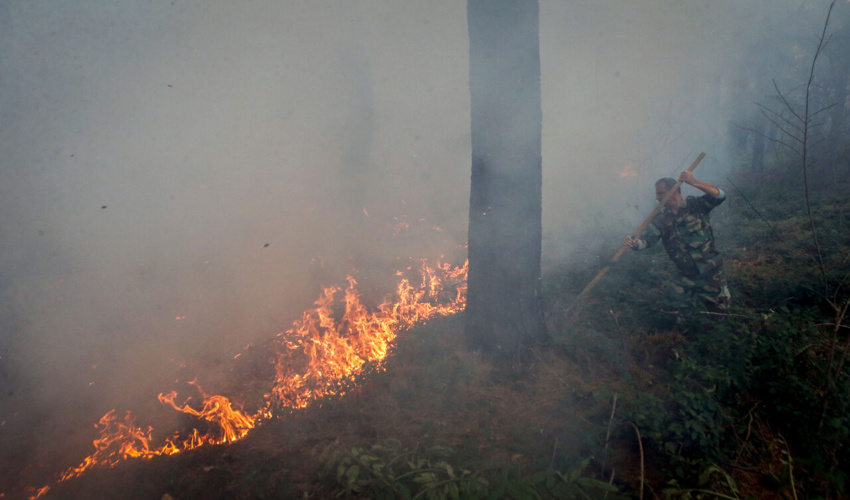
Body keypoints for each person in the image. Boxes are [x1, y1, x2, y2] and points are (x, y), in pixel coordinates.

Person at [623, 171, 731, 314]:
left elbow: (720, 195)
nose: (657, 197)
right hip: (685, 275)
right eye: (657, 194)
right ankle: (675, 333)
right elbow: (648, 240)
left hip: (711, 272)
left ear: (674, 191)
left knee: (720, 313)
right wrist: (635, 244)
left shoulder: (696, 205)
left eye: (660, 193)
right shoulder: (660, 219)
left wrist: (694, 182)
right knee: (671, 312)